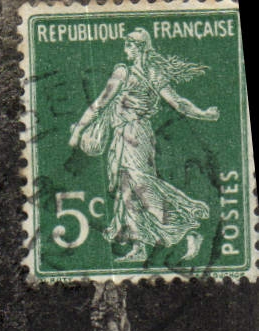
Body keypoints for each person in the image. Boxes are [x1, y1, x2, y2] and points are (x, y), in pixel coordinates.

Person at [67, 28, 218, 263]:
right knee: (127, 190)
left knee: (140, 186)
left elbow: (99, 104)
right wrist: (204, 114)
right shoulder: (153, 73)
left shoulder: (123, 72)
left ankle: (189, 230)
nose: (124, 50)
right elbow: (179, 104)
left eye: (128, 46)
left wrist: (77, 131)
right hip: (136, 135)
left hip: (131, 135)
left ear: (137, 48)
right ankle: (139, 247)